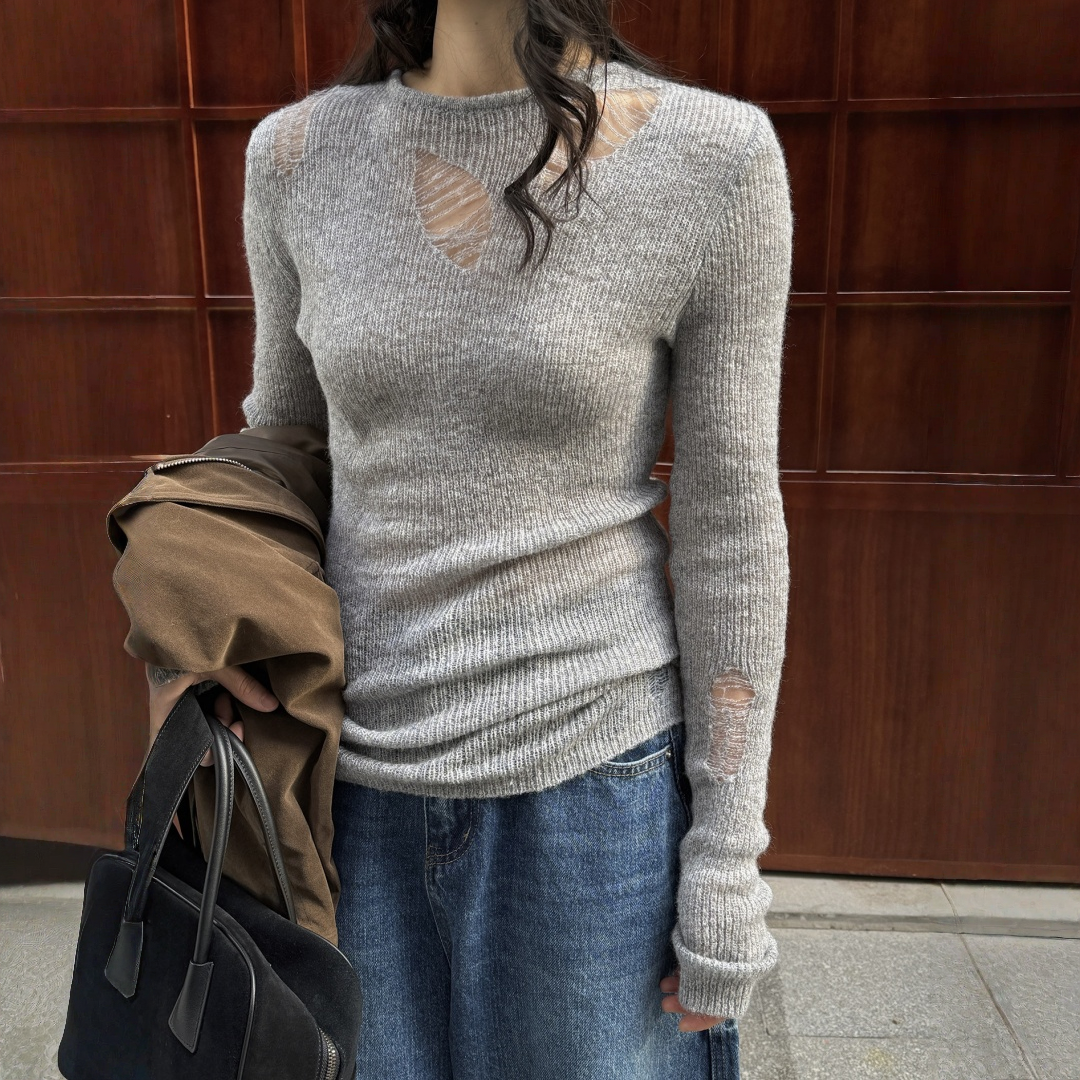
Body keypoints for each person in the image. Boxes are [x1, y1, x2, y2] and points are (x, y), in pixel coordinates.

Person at [148, 0, 793, 1076]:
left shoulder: (714, 159)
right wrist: (200, 632)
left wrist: (727, 858)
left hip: (592, 792)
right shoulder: (298, 156)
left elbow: (731, 526)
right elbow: (284, 449)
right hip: (343, 796)